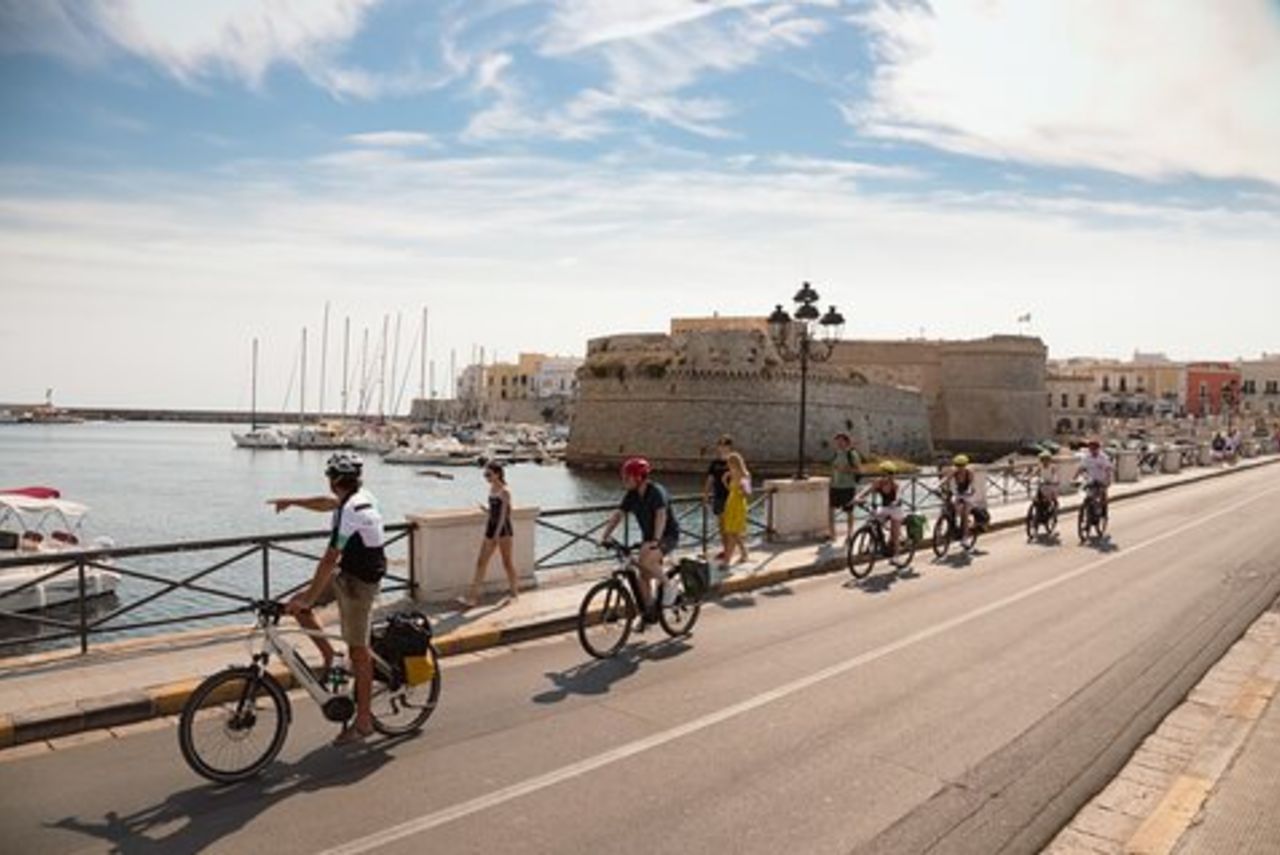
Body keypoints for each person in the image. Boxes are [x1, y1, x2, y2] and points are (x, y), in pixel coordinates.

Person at [270, 452, 385, 745]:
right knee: (299, 607)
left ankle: (363, 721)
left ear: (335, 480)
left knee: (359, 651)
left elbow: (329, 557)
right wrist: (293, 501)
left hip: (361, 585)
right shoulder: (352, 497)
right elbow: (326, 503)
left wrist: (310, 597)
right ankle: (330, 656)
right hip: (346, 574)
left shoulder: (354, 509)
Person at [599, 457, 679, 626]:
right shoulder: (632, 495)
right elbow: (618, 515)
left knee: (648, 561)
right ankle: (649, 613)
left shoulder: (656, 491)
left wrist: (656, 540)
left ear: (639, 478)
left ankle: (669, 585)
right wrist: (604, 536)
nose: (624, 481)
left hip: (667, 536)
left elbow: (661, 515)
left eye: (627, 478)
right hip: (649, 538)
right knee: (643, 576)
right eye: (623, 477)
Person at [458, 462, 519, 609]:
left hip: (503, 530)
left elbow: (504, 516)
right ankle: (472, 598)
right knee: (481, 562)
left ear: (497, 474)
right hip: (490, 528)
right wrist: (486, 510)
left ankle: (515, 592)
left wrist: (497, 535)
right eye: (485, 475)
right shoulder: (492, 489)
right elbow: (494, 512)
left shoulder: (505, 492)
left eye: (488, 474)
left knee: (507, 562)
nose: (486, 477)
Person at [857, 461, 904, 554]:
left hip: (895, 509)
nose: (883, 476)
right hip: (884, 508)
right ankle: (873, 544)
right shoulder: (879, 482)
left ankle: (897, 557)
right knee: (872, 518)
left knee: (895, 534)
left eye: (886, 474)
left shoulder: (896, 485)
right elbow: (867, 490)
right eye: (882, 473)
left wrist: (897, 501)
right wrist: (858, 497)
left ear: (891, 475)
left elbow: (899, 495)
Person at [702, 435, 733, 561]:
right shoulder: (714, 463)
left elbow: (743, 475)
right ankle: (726, 549)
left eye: (724, 444)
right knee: (722, 526)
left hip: (732, 497)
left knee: (730, 527)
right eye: (719, 444)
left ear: (729, 446)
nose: (721, 447)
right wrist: (705, 494)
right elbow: (710, 479)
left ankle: (730, 553)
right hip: (718, 496)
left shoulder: (733, 460)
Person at [828, 432, 862, 539]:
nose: (839, 443)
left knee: (849, 512)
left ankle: (850, 533)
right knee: (830, 509)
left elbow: (858, 470)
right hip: (835, 486)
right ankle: (832, 534)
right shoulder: (836, 454)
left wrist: (845, 469)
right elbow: (834, 469)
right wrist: (832, 480)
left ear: (847, 442)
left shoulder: (852, 454)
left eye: (841, 441)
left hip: (848, 486)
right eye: (837, 441)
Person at [721, 452, 752, 565]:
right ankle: (744, 554)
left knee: (731, 532)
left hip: (738, 506)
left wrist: (742, 489)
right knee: (734, 533)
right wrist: (725, 480)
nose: (728, 466)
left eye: (730, 463)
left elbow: (748, 493)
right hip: (731, 504)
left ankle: (727, 561)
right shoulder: (733, 474)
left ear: (735, 463)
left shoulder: (745, 475)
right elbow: (731, 490)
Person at [939, 454, 978, 540]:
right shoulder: (954, 471)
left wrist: (971, 491)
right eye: (957, 465)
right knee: (953, 507)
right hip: (958, 493)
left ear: (965, 465)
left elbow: (972, 485)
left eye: (961, 465)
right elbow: (946, 479)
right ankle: (953, 528)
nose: (959, 467)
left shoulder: (969, 473)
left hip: (968, 494)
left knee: (965, 515)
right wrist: (938, 485)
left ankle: (965, 538)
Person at [1076, 439, 1115, 516]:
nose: (1092, 450)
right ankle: (1088, 513)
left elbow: (1108, 469)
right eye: (1090, 448)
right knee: (1089, 495)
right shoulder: (1086, 457)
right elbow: (1081, 468)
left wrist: (1108, 479)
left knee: (1103, 495)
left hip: (1101, 479)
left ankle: (1104, 511)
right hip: (1090, 479)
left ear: (1098, 448)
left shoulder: (1103, 457)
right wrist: (1074, 478)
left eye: (1094, 448)